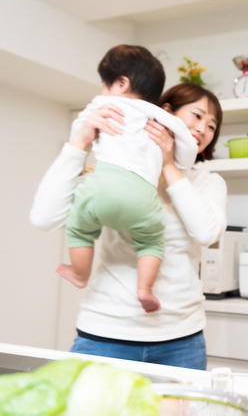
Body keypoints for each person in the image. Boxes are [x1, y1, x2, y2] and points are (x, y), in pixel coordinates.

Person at [30, 83, 227, 370]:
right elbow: (44, 217)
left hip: (182, 338)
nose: (203, 130)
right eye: (197, 116)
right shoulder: (112, 170)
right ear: (166, 112)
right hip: (105, 333)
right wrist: (80, 141)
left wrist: (169, 165)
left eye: (212, 126)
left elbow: (206, 233)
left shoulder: (208, 182)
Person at [57, 44, 198, 313]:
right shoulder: (156, 114)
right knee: (152, 243)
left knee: (78, 230)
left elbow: (79, 132)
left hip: (100, 188)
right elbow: (187, 141)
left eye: (104, 83)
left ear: (121, 83)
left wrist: (83, 137)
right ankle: (144, 289)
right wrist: (180, 162)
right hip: (142, 197)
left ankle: (79, 274)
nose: (102, 90)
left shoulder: (101, 106)